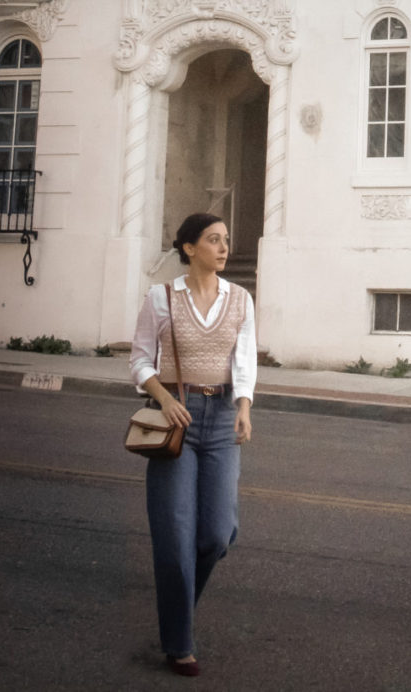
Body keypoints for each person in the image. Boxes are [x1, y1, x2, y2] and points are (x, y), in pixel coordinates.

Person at [130, 212, 257, 678]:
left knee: (217, 535)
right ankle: (179, 643)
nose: (224, 248)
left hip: (222, 419)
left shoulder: (240, 298)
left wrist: (244, 406)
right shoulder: (161, 297)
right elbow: (140, 360)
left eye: (226, 240)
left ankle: (176, 608)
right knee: (175, 537)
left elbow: (245, 360)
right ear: (189, 248)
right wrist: (165, 400)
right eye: (213, 240)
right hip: (174, 421)